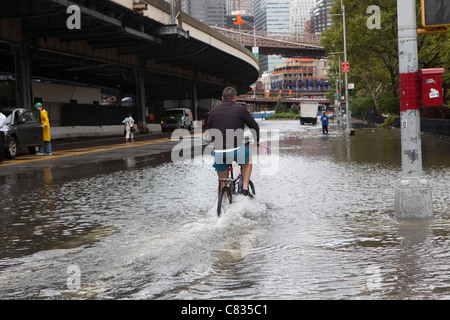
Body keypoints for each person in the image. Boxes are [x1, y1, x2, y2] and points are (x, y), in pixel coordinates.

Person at [207, 87, 260, 197]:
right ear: (235, 98)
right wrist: (257, 141)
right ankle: (245, 186)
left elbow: (210, 129)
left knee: (222, 181)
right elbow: (254, 126)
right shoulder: (240, 109)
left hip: (219, 150)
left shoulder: (213, 111)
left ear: (222, 98)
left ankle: (221, 205)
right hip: (236, 149)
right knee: (248, 160)